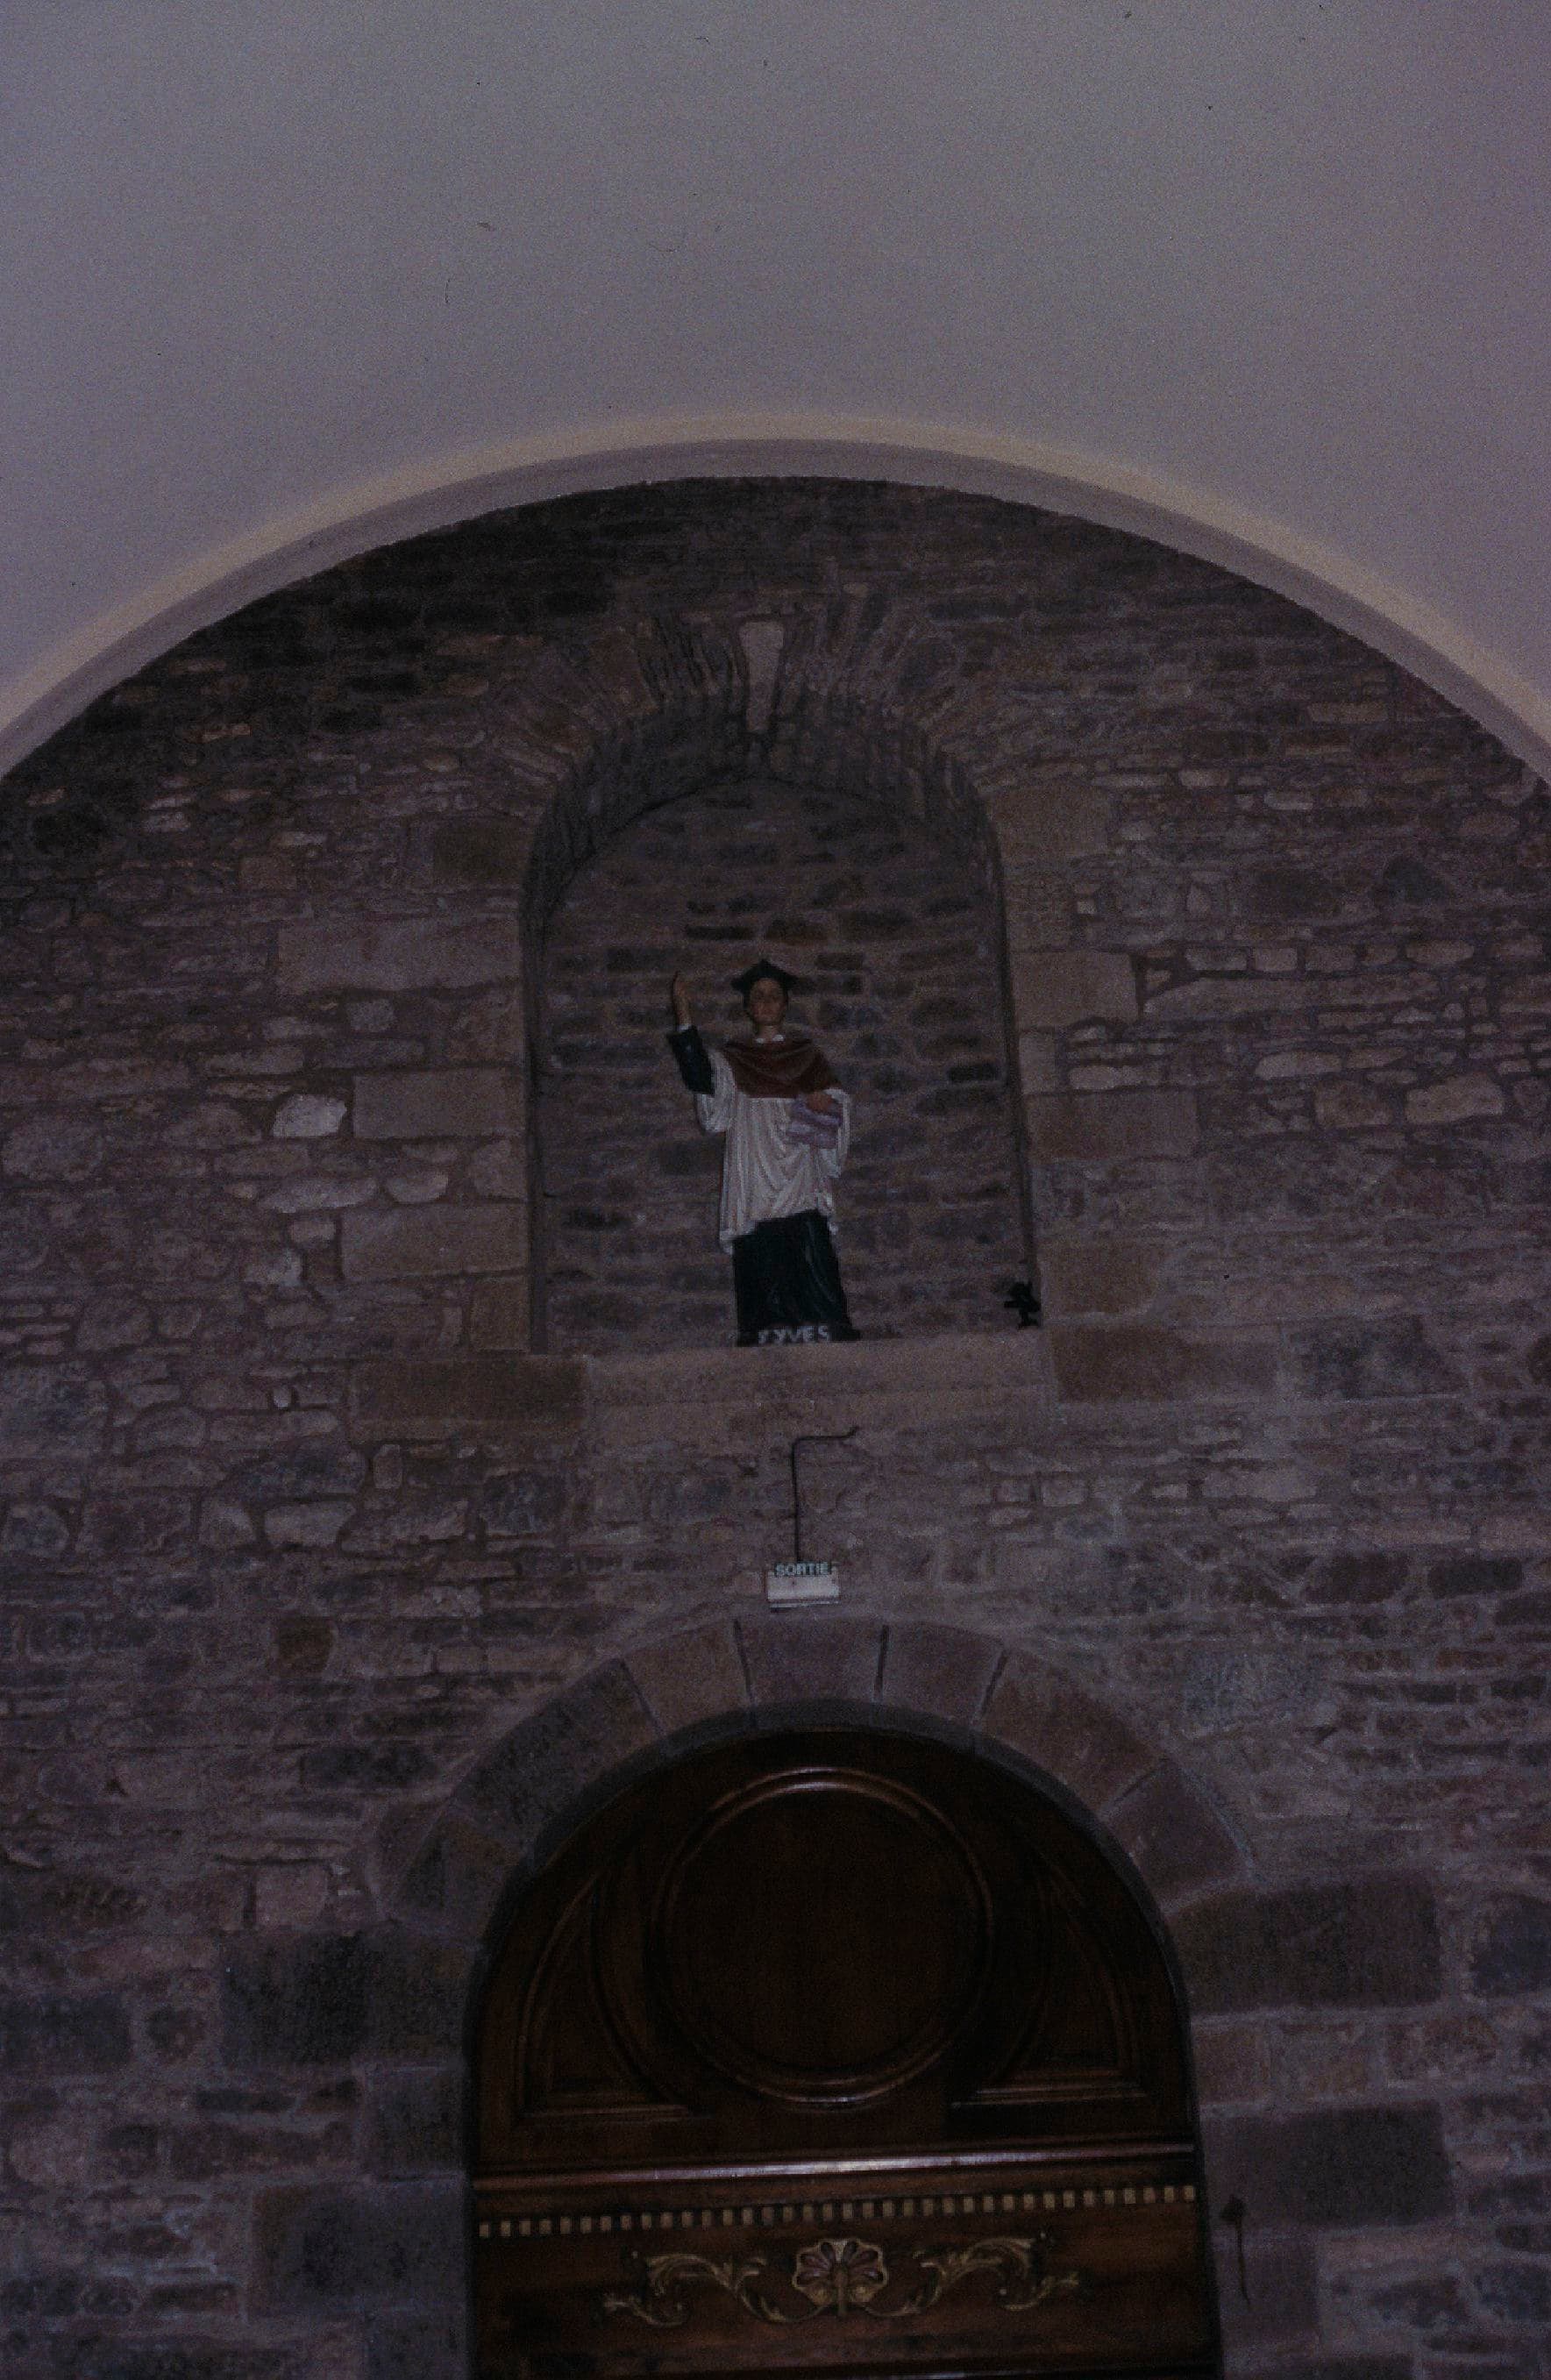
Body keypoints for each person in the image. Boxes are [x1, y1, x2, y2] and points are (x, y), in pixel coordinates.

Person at [666, 961, 859, 1345]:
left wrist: (827, 1100)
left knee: (807, 1233)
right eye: (759, 996)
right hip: (754, 1157)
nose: (767, 1002)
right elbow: (703, 1079)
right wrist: (685, 1019)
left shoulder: (807, 1055)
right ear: (748, 1008)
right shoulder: (733, 1058)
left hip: (798, 1157)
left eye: (774, 996)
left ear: (785, 1004)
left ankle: (821, 1318)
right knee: (760, 1239)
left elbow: (836, 1102)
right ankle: (766, 1324)